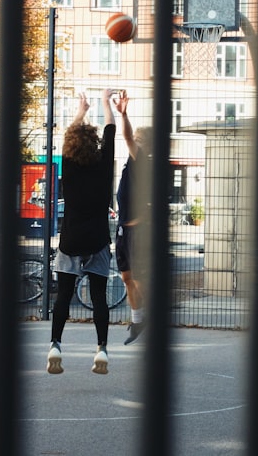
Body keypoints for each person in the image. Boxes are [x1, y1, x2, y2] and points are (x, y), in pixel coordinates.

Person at [47, 89, 117, 376]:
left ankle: (55, 344)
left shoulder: (70, 165)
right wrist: (106, 103)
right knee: (99, 297)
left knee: (63, 295)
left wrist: (81, 109)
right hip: (98, 239)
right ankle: (101, 349)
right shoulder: (104, 165)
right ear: (97, 143)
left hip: (71, 239)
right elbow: (111, 132)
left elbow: (68, 136)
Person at [115, 91, 150, 345]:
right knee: (127, 278)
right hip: (122, 229)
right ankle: (138, 321)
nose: (133, 141)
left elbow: (126, 136)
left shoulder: (141, 158)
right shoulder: (130, 162)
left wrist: (124, 115)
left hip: (137, 231)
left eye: (138, 139)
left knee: (138, 279)